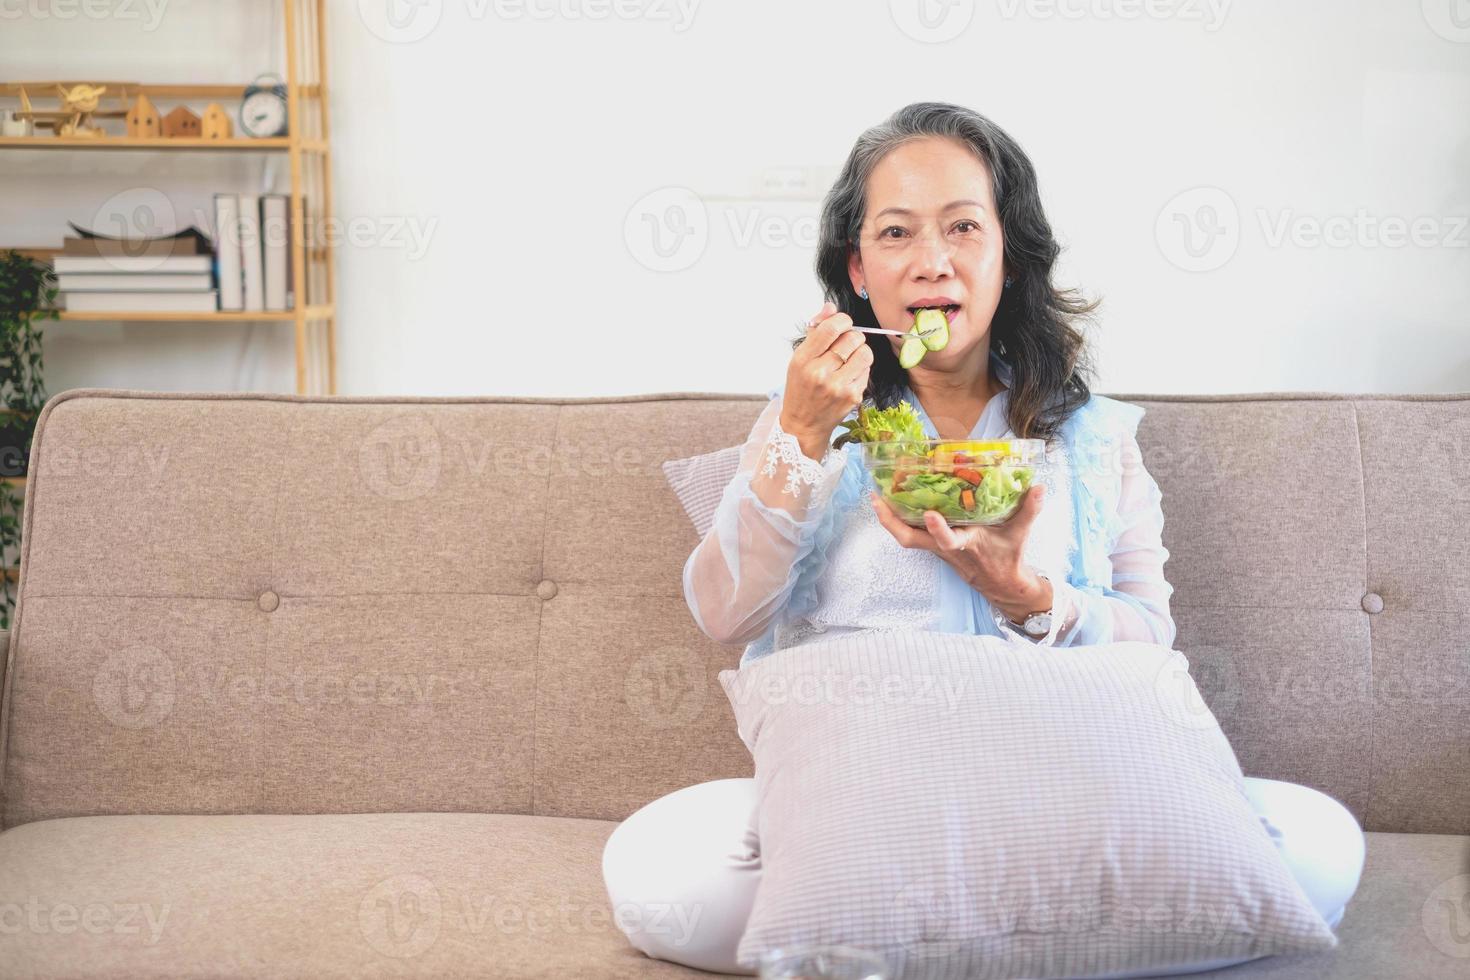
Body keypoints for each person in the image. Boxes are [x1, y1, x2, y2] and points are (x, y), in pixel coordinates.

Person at [603, 102, 1365, 976]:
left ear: (1010, 258)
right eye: (896, 233)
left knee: (1320, 840)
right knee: (657, 869)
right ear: (859, 270)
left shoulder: (1096, 439)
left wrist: (1027, 597)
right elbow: (725, 615)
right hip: (869, 804)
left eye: (965, 226)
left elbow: (1150, 642)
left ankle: (908, 941)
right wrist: (801, 439)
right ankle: (1034, 938)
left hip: (1061, 792)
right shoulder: (809, 422)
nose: (933, 261)